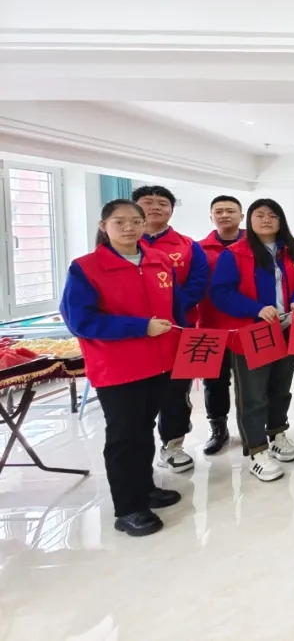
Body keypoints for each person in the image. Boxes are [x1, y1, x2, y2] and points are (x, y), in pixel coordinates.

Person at [60, 199, 183, 537]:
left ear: (144, 225)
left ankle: (145, 489)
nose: (129, 227)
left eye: (135, 221)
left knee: (144, 429)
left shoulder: (159, 261)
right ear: (104, 226)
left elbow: (174, 309)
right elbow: (81, 321)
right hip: (118, 367)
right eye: (119, 221)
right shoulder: (86, 268)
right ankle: (128, 509)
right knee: (124, 436)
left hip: (160, 363)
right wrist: (140, 327)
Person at [211, 199, 294, 481]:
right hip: (252, 333)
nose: (266, 220)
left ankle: (277, 434)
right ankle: (257, 450)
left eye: (272, 215)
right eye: (259, 215)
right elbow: (221, 293)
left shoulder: (293, 250)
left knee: (281, 387)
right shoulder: (234, 254)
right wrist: (255, 309)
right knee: (253, 395)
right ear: (248, 220)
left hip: (287, 329)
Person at [133, 185, 209, 475]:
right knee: (137, 398)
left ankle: (173, 445)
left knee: (177, 393)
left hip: (180, 330)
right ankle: (138, 455)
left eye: (162, 203)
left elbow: (198, 283)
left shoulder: (188, 246)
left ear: (172, 210)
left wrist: (170, 311)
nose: (155, 207)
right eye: (147, 202)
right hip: (136, 334)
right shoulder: (122, 245)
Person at [196, 195, 245, 455]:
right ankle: (218, 428)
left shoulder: (257, 245)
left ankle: (254, 428)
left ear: (241, 216)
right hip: (210, 324)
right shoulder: (198, 249)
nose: (224, 215)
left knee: (253, 382)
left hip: (249, 324)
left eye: (230, 211)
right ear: (211, 216)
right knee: (214, 381)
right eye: (219, 211)